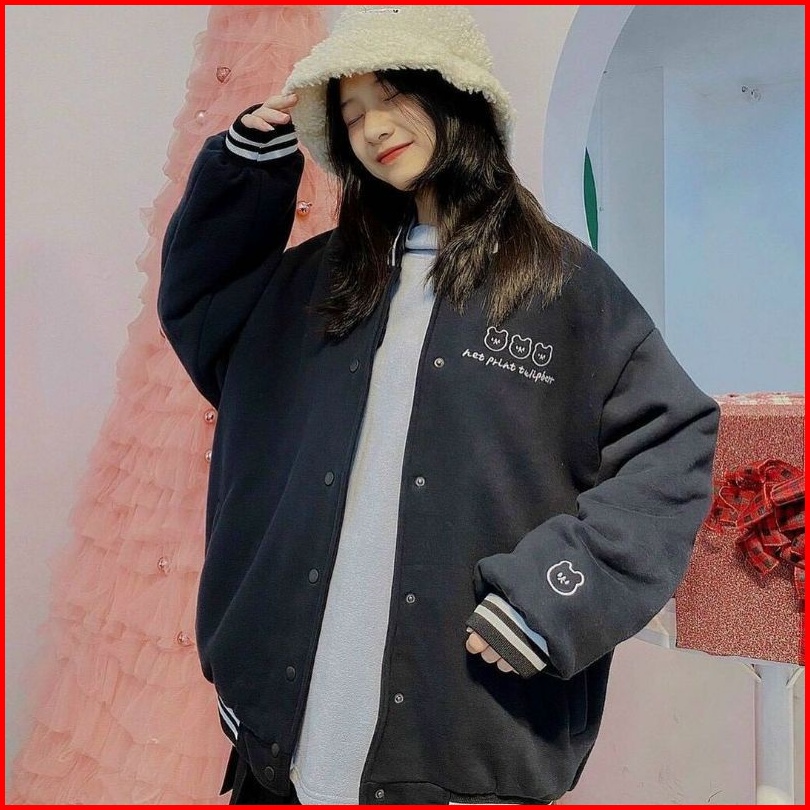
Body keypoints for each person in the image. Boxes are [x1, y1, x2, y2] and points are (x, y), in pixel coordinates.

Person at [158, 6, 719, 806]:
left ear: (456, 95)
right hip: (281, 730)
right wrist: (247, 170)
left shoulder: (560, 285)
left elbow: (672, 444)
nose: (374, 128)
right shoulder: (317, 284)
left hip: (461, 732)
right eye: (351, 114)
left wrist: (556, 594)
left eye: (392, 95)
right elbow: (205, 314)